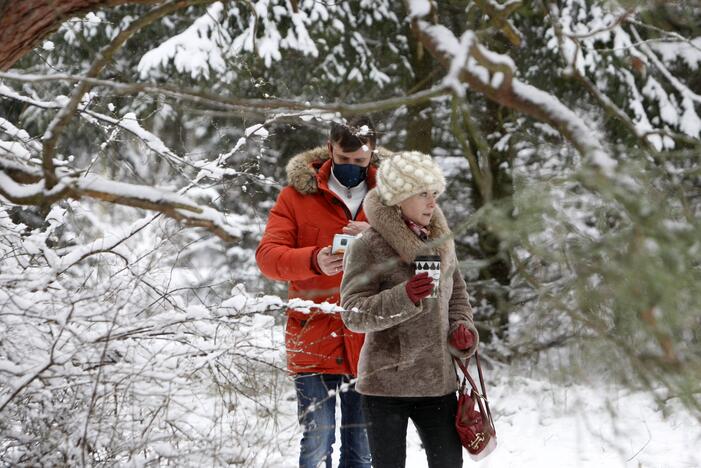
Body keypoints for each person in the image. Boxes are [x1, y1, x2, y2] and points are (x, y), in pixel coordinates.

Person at [256, 116, 390, 468]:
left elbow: (424, 254)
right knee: (318, 441)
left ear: (372, 153)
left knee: (362, 451)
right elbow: (268, 258)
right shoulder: (295, 197)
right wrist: (314, 259)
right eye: (343, 160)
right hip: (312, 336)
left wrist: (376, 235)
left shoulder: (391, 199)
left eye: (360, 162)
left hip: (369, 342)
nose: (351, 168)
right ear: (330, 149)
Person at [339, 150, 479, 468]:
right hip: (385, 387)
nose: (432, 203)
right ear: (398, 197)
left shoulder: (443, 242)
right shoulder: (368, 245)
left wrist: (464, 329)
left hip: (438, 382)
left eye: (434, 194)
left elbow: (457, 295)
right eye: (422, 194)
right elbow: (352, 313)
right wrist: (405, 297)